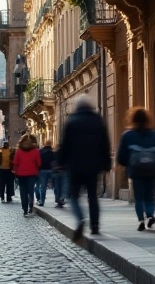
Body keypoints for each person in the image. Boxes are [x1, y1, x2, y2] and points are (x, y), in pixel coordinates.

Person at [58, 97, 110, 241]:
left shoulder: (71, 122)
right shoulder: (98, 122)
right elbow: (105, 144)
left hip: (75, 166)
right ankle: (95, 225)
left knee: (73, 196)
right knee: (92, 196)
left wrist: (60, 163)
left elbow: (65, 145)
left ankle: (80, 219)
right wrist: (106, 164)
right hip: (93, 166)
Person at [117, 107, 155, 231]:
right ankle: (150, 215)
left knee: (139, 197)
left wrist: (127, 163)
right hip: (152, 169)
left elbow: (121, 156)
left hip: (136, 170)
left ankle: (141, 219)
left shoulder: (127, 135)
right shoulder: (154, 134)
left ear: (132, 119)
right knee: (149, 195)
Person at [12, 133, 42, 216]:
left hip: (21, 174)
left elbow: (15, 163)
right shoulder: (35, 151)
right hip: (32, 174)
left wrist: (16, 172)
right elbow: (39, 163)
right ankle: (30, 206)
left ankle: (24, 208)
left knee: (23, 191)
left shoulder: (19, 151)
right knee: (30, 190)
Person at [36, 140, 56, 207]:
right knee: (55, 185)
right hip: (51, 170)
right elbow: (54, 161)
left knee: (43, 187)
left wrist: (38, 170)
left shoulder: (40, 151)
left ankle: (42, 201)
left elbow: (38, 161)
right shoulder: (53, 152)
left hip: (42, 170)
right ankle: (58, 199)